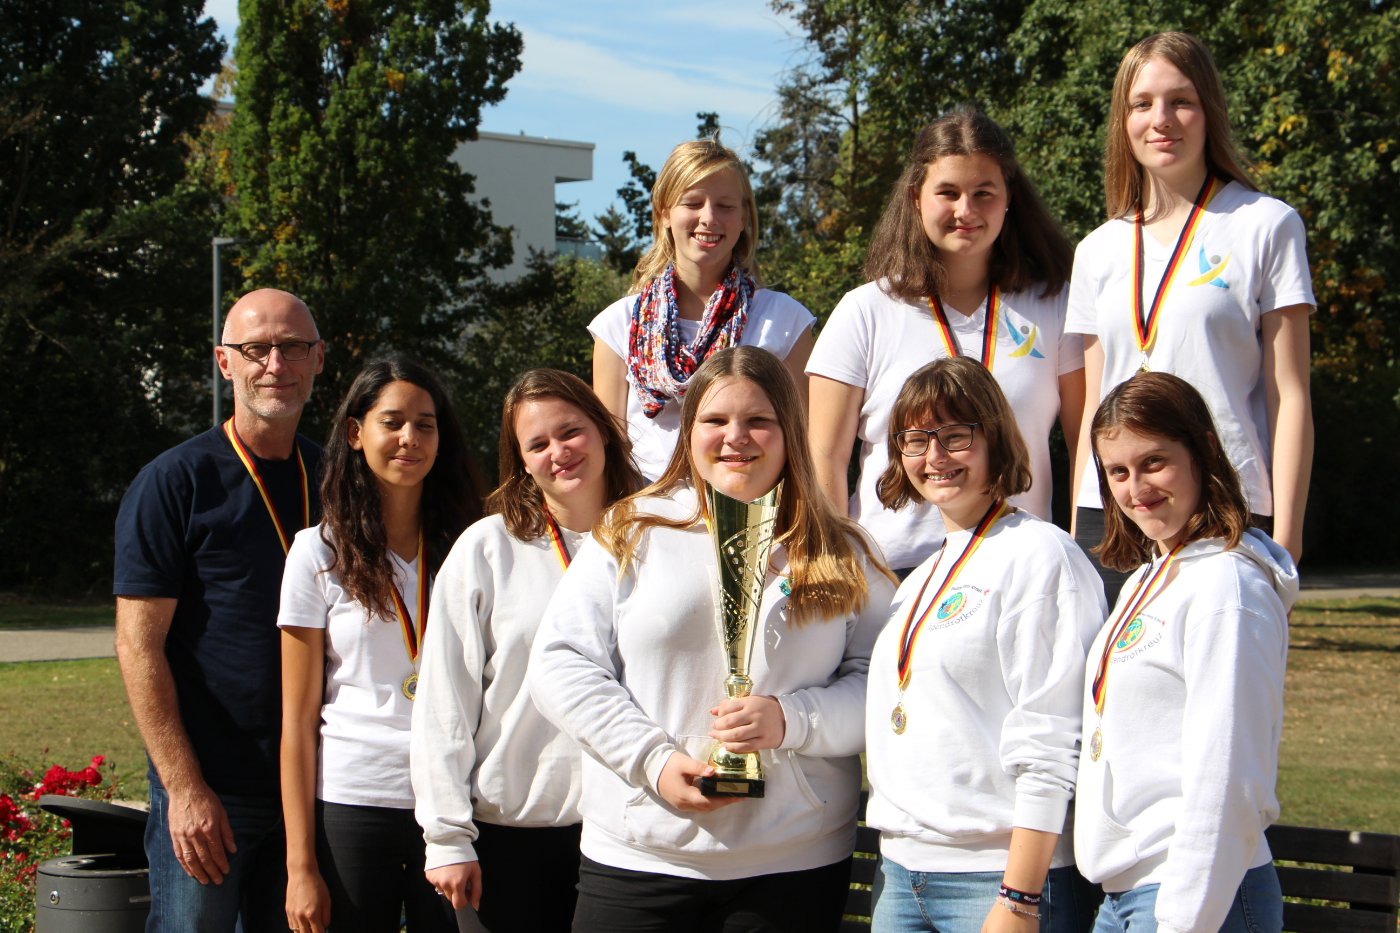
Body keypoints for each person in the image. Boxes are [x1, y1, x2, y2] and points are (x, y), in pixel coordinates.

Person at [530, 346, 895, 932]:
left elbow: (883, 686)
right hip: (640, 853)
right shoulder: (631, 529)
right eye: (716, 420)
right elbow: (560, 663)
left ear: (790, 429)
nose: (736, 437)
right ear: (689, 431)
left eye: (758, 420)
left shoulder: (840, 549)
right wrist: (651, 759)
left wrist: (793, 719)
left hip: (792, 863)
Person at [1067, 31, 1314, 601]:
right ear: (1123, 120)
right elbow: (1092, 409)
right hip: (1116, 512)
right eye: (1142, 103)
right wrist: (1081, 526)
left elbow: (1290, 395)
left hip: (1227, 502)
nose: (1161, 119)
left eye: (1180, 100)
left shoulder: (1266, 225)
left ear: (1208, 111)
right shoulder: (1096, 249)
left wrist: (1288, 542)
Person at [864, 357, 1105, 933]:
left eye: (955, 435)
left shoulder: (1042, 556)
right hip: (901, 873)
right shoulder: (920, 578)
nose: (934, 455)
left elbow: (1052, 735)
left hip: (999, 881)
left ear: (994, 438)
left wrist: (1019, 896)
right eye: (916, 439)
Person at [114, 288, 324, 932]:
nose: (275, 364)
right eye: (256, 349)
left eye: (292, 347)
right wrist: (184, 788)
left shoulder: (336, 477)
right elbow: (138, 646)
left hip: (313, 788)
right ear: (224, 361)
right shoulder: (174, 482)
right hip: (213, 790)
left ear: (318, 359)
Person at [410, 369, 644, 932]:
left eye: (571, 431)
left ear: (604, 430)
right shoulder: (487, 548)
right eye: (537, 444)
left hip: (632, 834)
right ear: (520, 460)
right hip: (514, 836)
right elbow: (444, 702)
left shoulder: (657, 539)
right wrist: (447, 837)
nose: (558, 452)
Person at [808, 105, 1084, 575]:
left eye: (983, 193)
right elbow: (825, 456)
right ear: (916, 197)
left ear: (1009, 197)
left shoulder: (1055, 304)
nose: (966, 211)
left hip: (1021, 569)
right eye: (948, 193)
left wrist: (1080, 553)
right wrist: (837, 567)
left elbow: (1084, 444)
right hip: (894, 573)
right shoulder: (864, 311)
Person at [1075, 371, 1295, 933]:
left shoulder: (1228, 588)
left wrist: (1182, 919)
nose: (1136, 488)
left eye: (1154, 462)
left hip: (1195, 897)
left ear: (1203, 451)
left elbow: (1229, 776)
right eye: (1117, 471)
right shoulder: (1147, 577)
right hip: (1126, 896)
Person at [278, 356, 480, 933]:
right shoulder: (317, 553)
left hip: (452, 803)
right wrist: (300, 867)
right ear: (355, 433)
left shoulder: (472, 546)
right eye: (392, 422)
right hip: (354, 800)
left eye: (425, 424)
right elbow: (297, 721)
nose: (409, 438)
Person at [590, 137, 816, 481]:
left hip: (751, 506)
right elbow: (608, 456)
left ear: (744, 217)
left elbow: (804, 444)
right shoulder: (618, 325)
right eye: (693, 203)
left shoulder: (785, 320)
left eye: (725, 206)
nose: (709, 218)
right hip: (647, 506)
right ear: (665, 213)